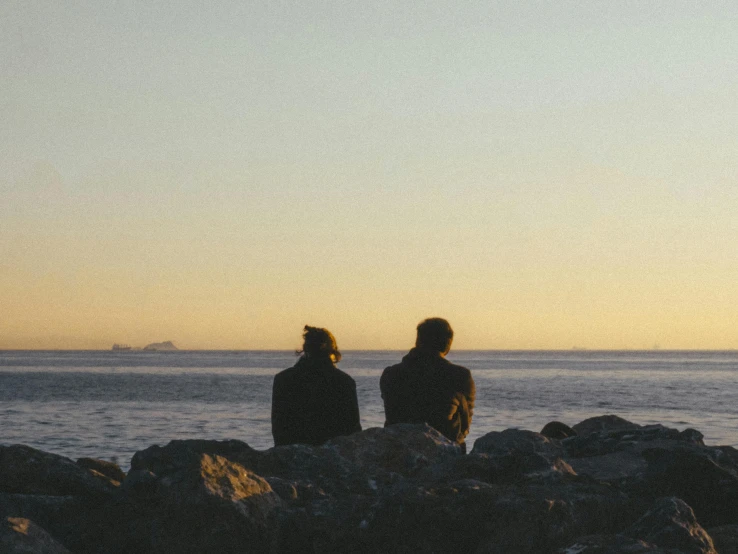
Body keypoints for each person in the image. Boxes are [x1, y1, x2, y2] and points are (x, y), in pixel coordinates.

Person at [380, 317, 475, 451]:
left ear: (418, 340)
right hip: (445, 452)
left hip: (398, 450)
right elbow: (465, 424)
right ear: (447, 343)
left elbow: (392, 416)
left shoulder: (391, 373)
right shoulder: (459, 375)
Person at [271, 325, 362, 446]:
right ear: (332, 350)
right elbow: (353, 428)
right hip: (332, 455)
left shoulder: (283, 379)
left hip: (292, 452)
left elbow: (279, 426)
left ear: (305, 348)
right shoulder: (344, 381)